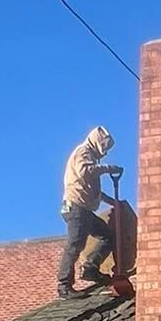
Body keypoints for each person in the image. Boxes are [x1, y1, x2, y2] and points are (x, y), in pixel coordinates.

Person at [57, 125, 121, 297]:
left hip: (83, 208)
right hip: (76, 207)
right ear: (97, 142)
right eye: (105, 148)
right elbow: (86, 172)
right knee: (75, 244)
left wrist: (113, 202)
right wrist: (109, 169)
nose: (105, 153)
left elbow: (95, 192)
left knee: (107, 236)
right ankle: (64, 286)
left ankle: (91, 268)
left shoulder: (91, 157)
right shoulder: (83, 152)